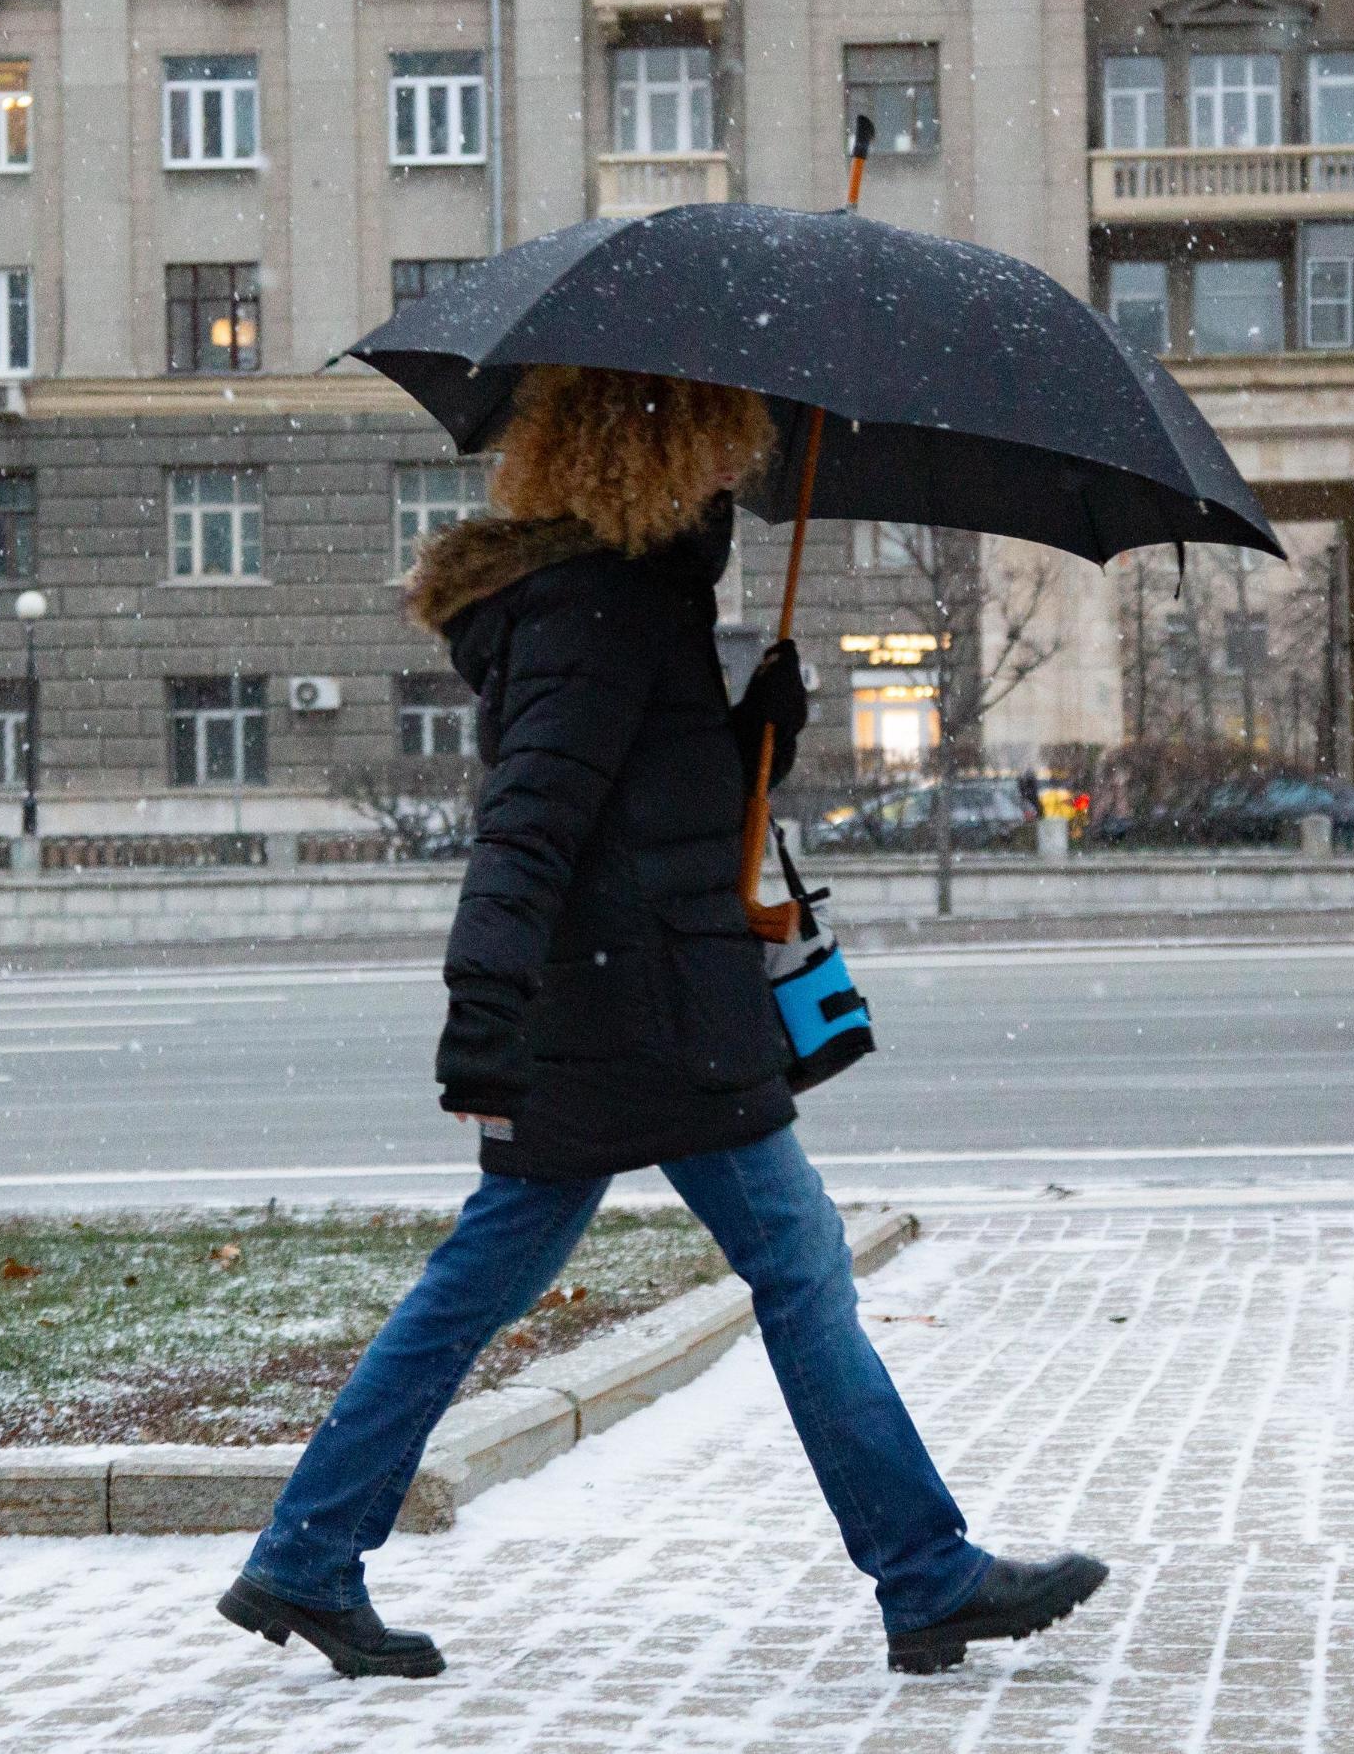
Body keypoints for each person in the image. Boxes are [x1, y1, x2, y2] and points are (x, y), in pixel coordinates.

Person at [218, 366, 1107, 1679]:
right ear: (651, 457)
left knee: (483, 1292)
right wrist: (481, 1022)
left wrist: (755, 732)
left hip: (637, 1001)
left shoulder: (624, 601)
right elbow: (530, 822)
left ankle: (304, 1557)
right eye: (709, 453)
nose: (728, 481)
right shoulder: (600, 608)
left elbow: (646, 803)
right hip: (647, 1015)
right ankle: (924, 1576)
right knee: (797, 1274)